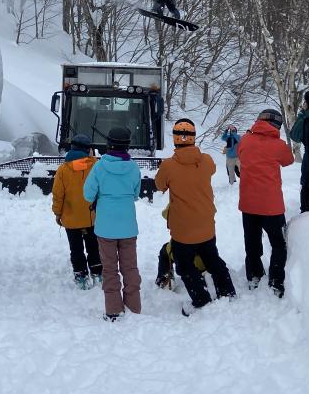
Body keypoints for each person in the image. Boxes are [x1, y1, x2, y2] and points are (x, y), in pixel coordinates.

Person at [155, 119, 236, 316]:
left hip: (183, 228)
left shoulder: (168, 166)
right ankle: (227, 291)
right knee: (212, 259)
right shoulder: (206, 160)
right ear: (193, 138)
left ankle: (201, 298)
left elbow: (159, 185)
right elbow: (213, 170)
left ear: (175, 139)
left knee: (184, 265)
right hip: (206, 223)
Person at [83, 127, 142, 321]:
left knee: (109, 269)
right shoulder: (133, 167)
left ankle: (114, 310)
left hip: (105, 228)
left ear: (109, 144)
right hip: (128, 226)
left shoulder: (99, 167)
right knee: (130, 267)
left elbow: (87, 194)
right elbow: (135, 194)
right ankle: (134, 307)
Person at [236, 109, 295, 297]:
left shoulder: (245, 140)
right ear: (276, 125)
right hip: (271, 205)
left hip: (248, 203)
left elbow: (240, 153)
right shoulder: (278, 145)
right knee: (278, 244)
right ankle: (276, 281)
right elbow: (289, 160)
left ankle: (254, 276)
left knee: (252, 242)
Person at [52, 134, 102, 290]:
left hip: (71, 219)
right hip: (92, 218)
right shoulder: (97, 166)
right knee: (94, 247)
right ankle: (97, 272)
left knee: (76, 249)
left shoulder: (63, 170)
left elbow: (58, 194)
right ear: (88, 149)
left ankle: (81, 276)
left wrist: (57, 213)